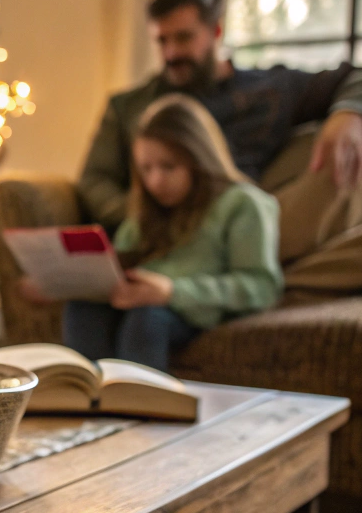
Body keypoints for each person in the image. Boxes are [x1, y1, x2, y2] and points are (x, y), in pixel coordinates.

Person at [79, 0, 362, 230]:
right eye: (162, 41)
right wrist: (146, 215)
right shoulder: (128, 108)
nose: (171, 53)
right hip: (161, 239)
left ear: (216, 31)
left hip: (245, 230)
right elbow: (95, 180)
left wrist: (351, 115)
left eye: (184, 38)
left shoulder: (269, 90)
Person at [59, 95, 283, 371]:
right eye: (146, 169)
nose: (155, 181)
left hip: (191, 311)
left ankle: (139, 407)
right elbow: (122, 267)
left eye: (168, 166)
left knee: (146, 317)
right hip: (142, 305)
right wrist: (66, 281)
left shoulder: (243, 204)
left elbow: (262, 287)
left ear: (198, 158)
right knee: (82, 308)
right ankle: (82, 400)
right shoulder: (145, 209)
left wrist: (172, 292)